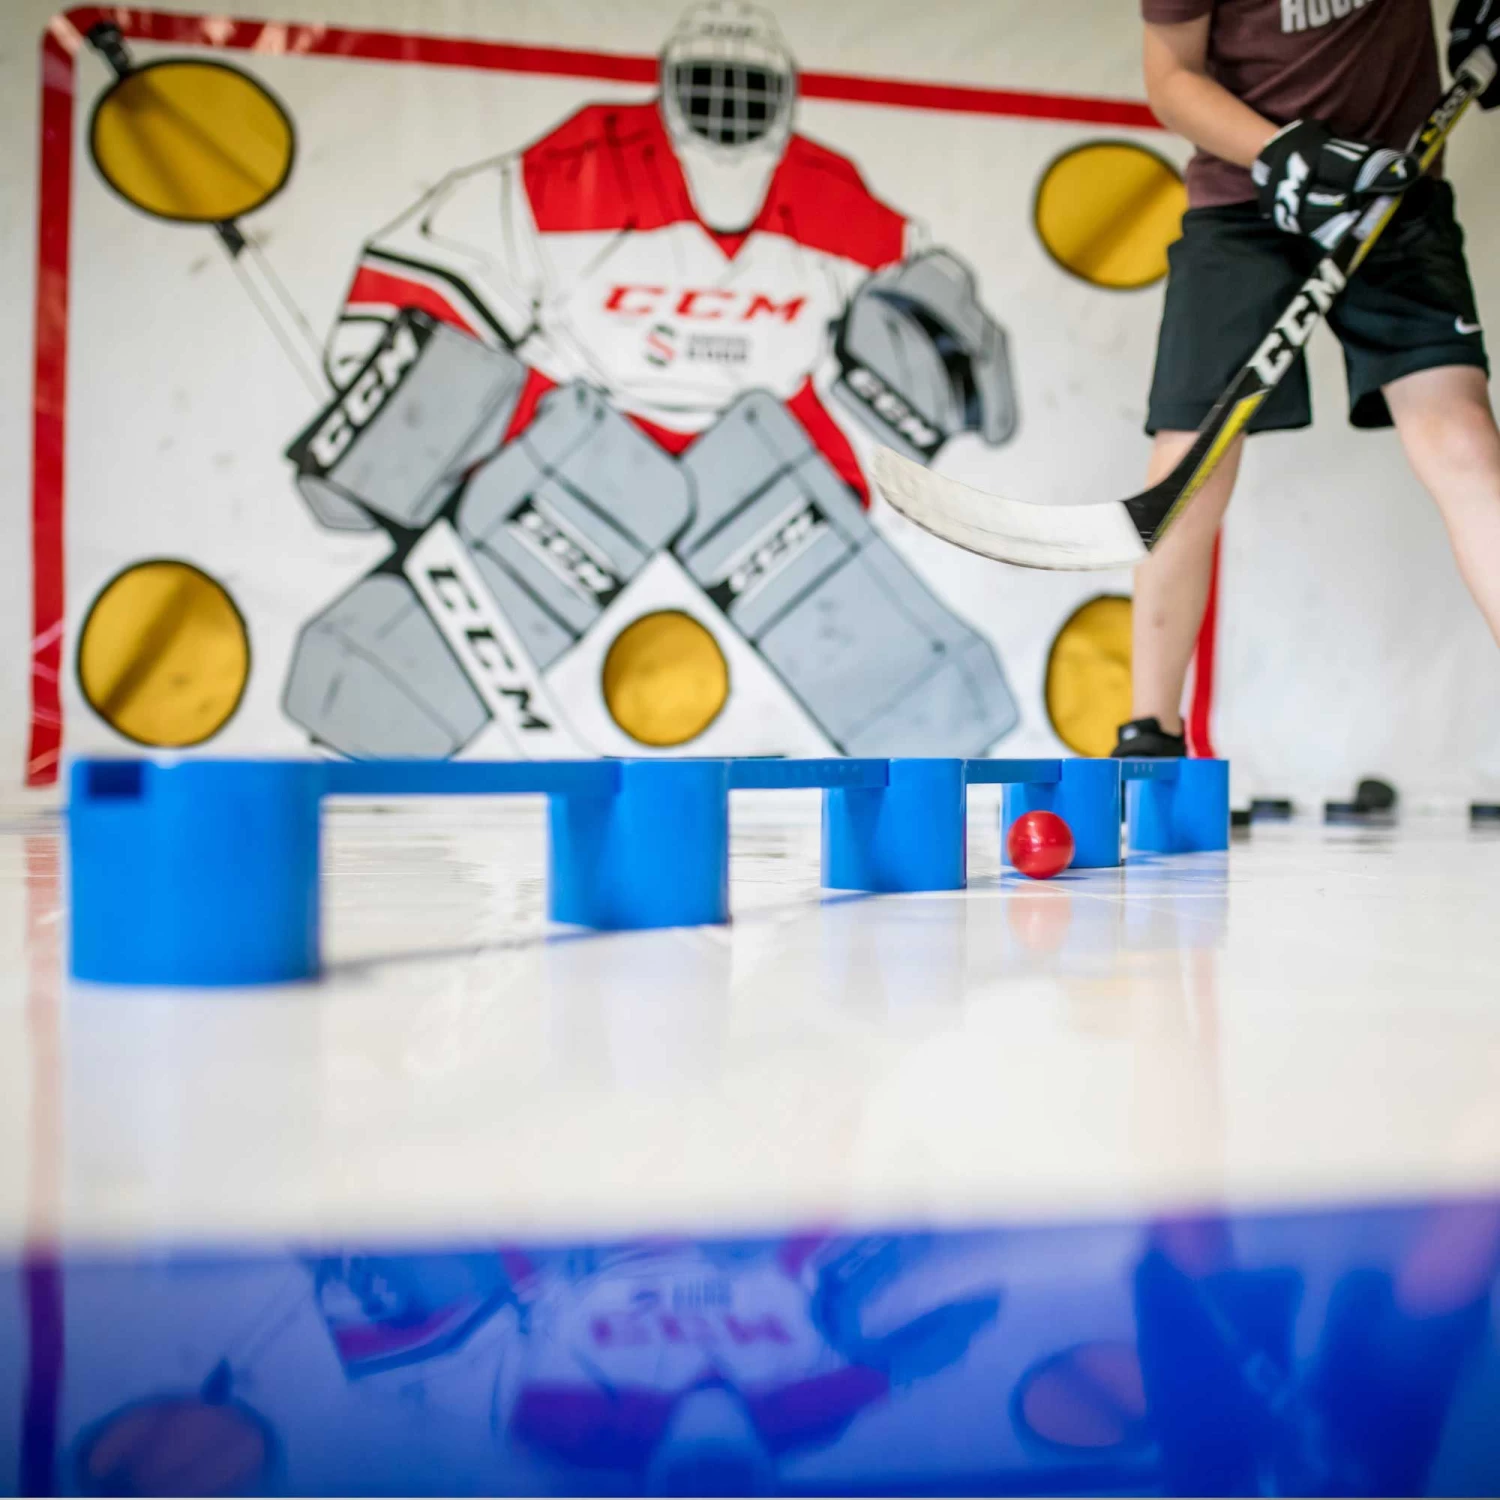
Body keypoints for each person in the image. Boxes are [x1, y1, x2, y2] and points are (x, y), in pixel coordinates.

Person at [1113, 0, 1500, 757]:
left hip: (1393, 191)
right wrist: (1277, 150)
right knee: (1192, 460)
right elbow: (1171, 78)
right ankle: (1149, 742)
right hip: (1246, 202)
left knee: (1462, 442)